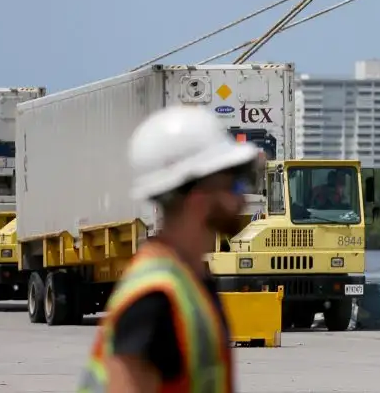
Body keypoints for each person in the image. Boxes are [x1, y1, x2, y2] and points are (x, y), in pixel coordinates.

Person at [77, 105, 261, 393]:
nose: (244, 197)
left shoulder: (189, 282)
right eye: (235, 185)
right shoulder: (154, 298)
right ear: (199, 200)